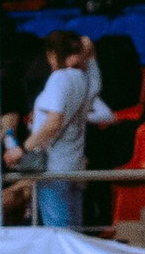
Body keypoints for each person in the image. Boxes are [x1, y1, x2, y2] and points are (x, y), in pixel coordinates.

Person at [24, 32, 100, 229]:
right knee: (74, 233)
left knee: (58, 235)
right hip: (76, 167)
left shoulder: (59, 78)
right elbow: (92, 62)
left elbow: (54, 122)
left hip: (54, 169)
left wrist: (26, 148)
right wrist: (87, 52)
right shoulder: (86, 77)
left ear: (51, 54)